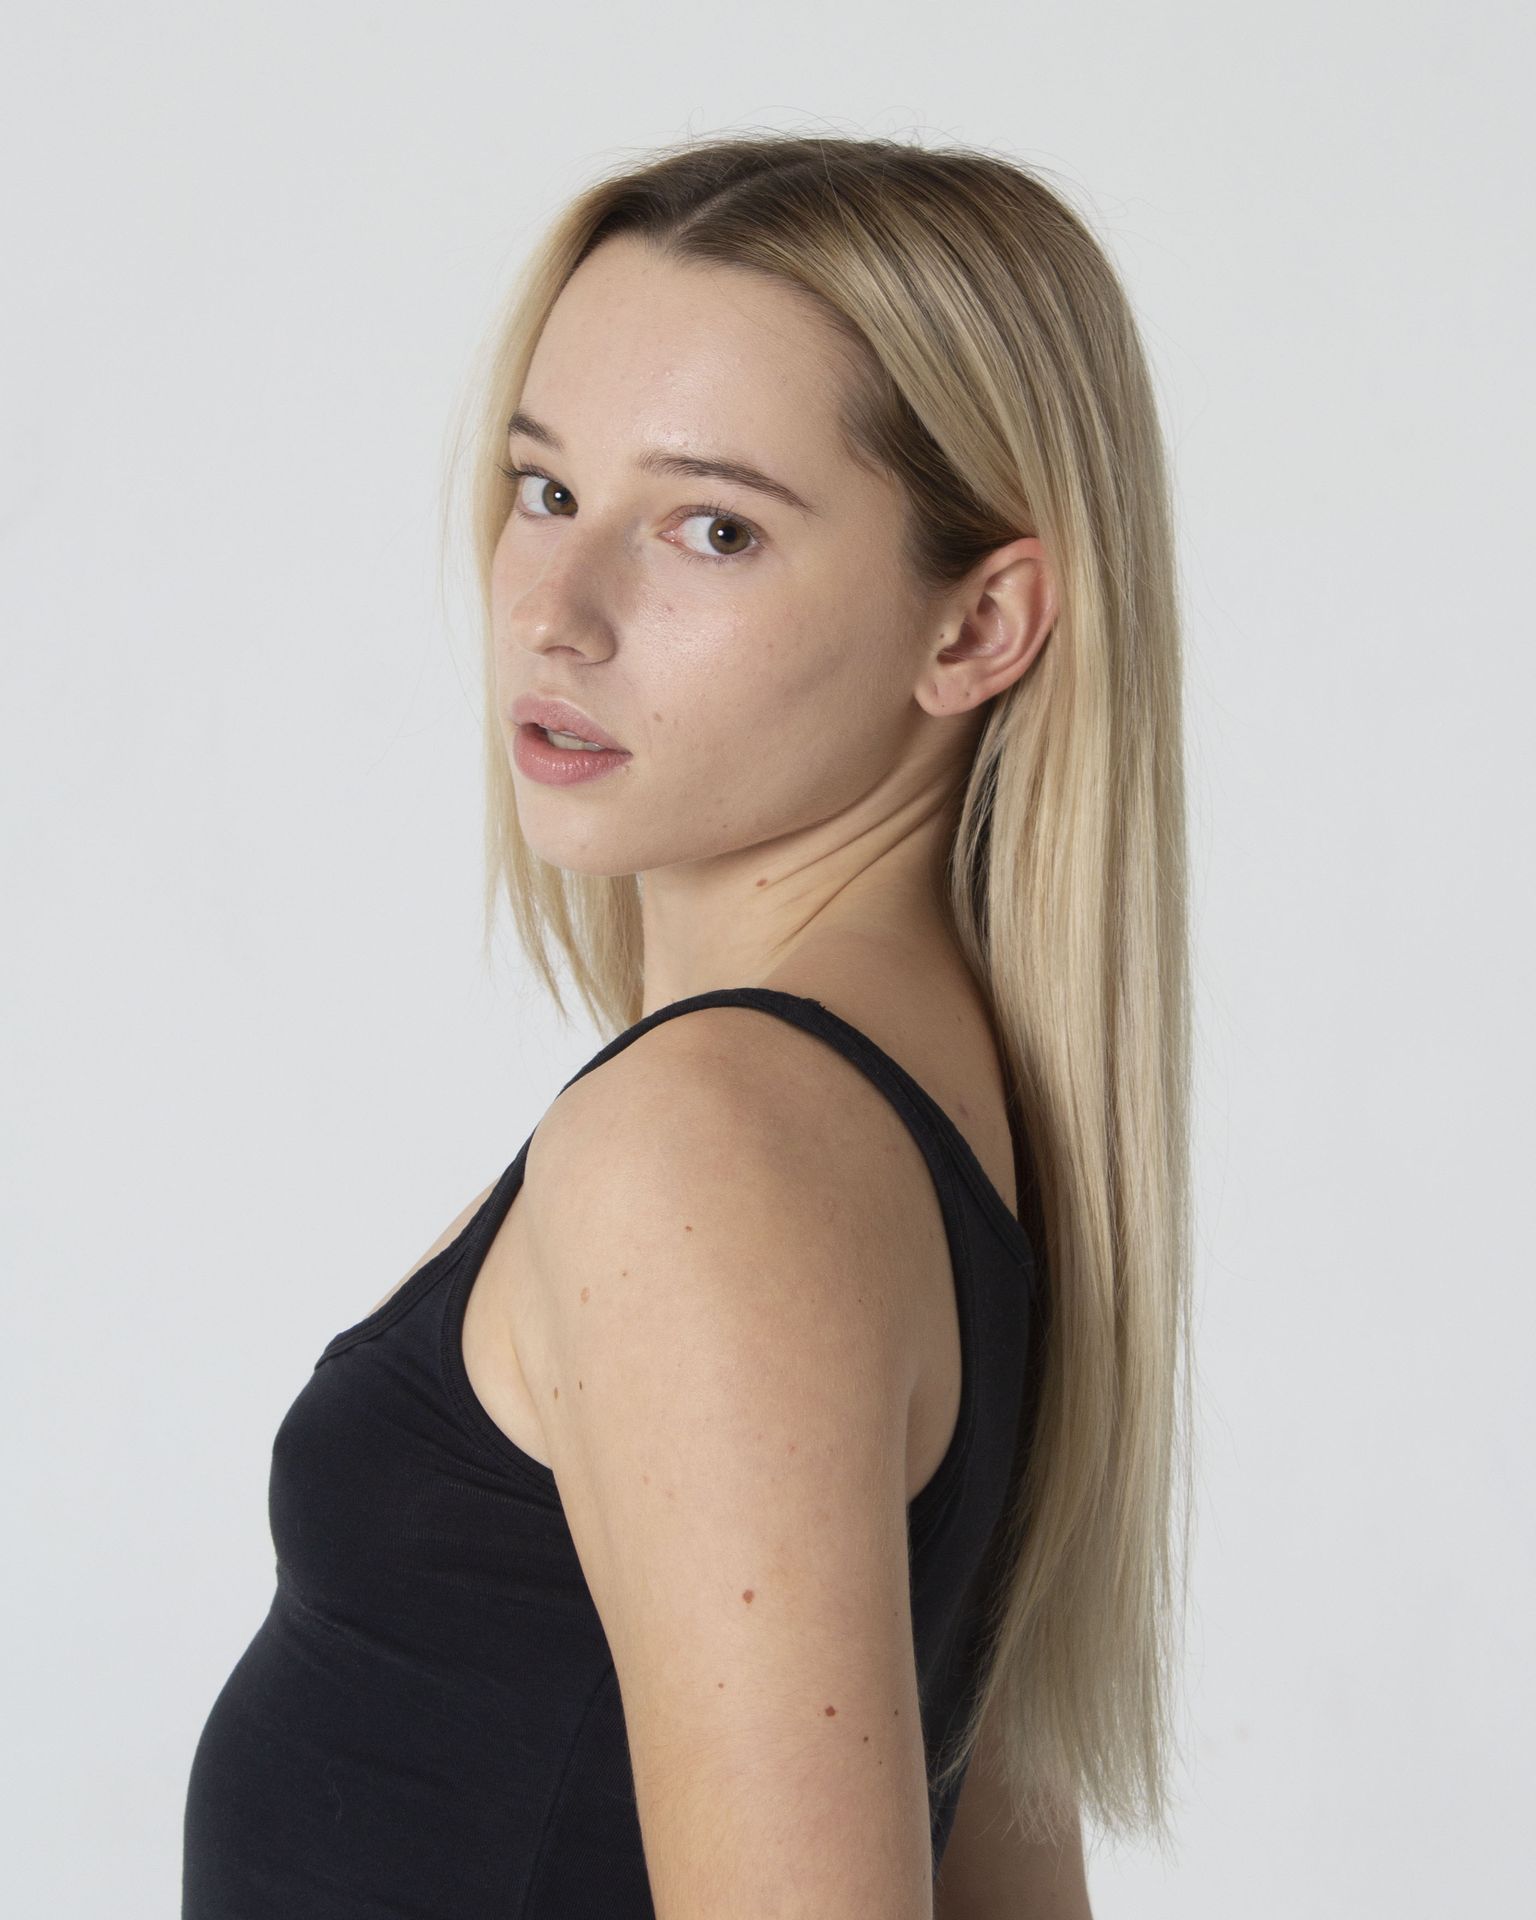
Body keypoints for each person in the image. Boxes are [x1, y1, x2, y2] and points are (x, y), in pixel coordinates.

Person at [182, 130, 1193, 1920]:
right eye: (545, 488)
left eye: (712, 528)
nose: (553, 611)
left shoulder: (707, 1146)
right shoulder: (932, 1130)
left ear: (978, 626)